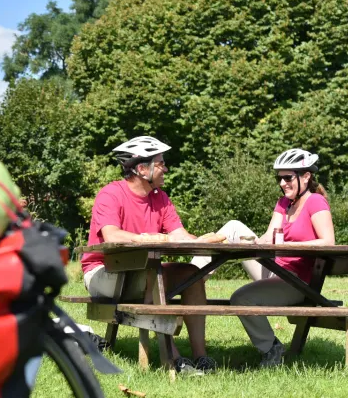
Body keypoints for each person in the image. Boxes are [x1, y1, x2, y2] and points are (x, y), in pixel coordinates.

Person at [81, 136, 216, 375]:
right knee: (154, 278)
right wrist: (143, 238)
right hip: (103, 275)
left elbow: (179, 236)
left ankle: (201, 357)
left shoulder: (160, 198)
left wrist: (207, 242)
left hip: (145, 273)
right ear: (143, 169)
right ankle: (175, 360)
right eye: (161, 163)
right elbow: (111, 235)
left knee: (191, 274)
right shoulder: (110, 194)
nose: (165, 168)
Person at [191, 148, 334, 367]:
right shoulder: (284, 203)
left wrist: (288, 246)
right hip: (275, 269)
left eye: (288, 177)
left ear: (306, 176)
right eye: (280, 178)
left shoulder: (315, 202)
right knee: (234, 226)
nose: (282, 183)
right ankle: (189, 283)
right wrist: (250, 242)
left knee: (240, 299)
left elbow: (328, 242)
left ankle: (270, 348)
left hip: (298, 282)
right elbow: (269, 237)